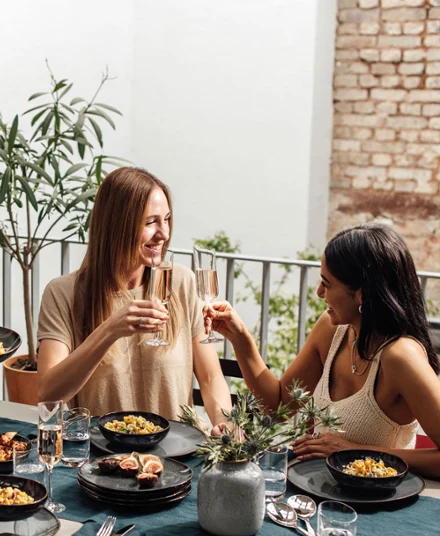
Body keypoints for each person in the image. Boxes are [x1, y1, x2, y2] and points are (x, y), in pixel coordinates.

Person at [205, 223, 440, 479]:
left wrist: (355, 452)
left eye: (326, 284)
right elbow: (278, 405)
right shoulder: (332, 330)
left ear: (362, 295)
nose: (319, 293)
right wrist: (240, 338)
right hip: (321, 490)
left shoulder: (400, 356)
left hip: (380, 506)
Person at [37, 166, 232, 430]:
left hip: (180, 454)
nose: (163, 234)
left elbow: (210, 378)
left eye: (167, 219)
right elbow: (48, 393)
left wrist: (223, 421)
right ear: (117, 226)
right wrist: (109, 331)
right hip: (104, 458)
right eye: (151, 222)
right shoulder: (63, 294)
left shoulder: (181, 283)